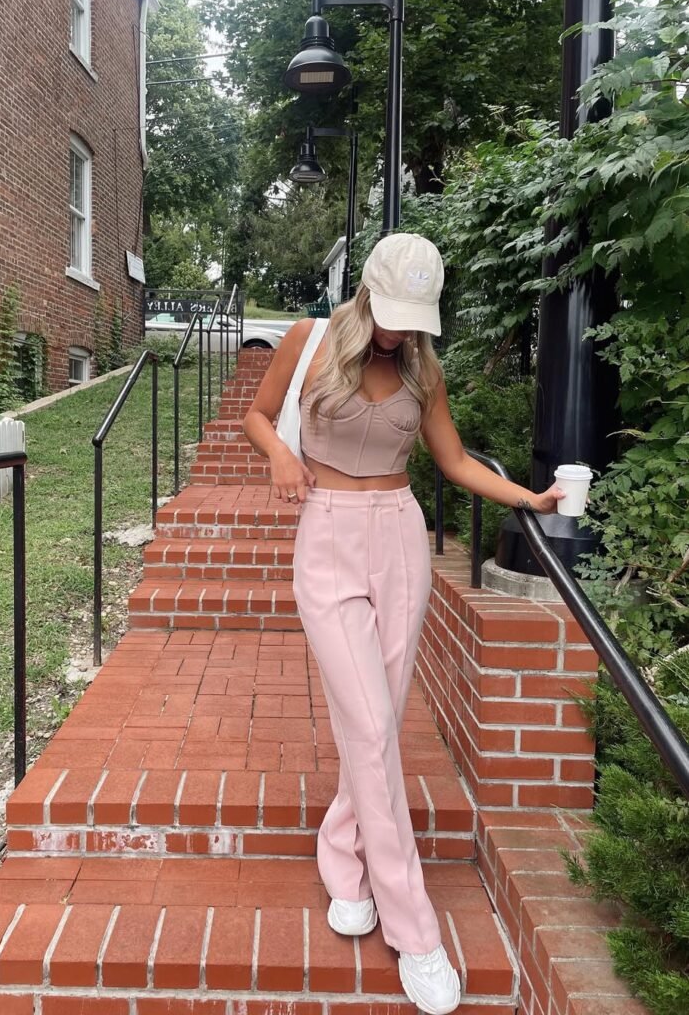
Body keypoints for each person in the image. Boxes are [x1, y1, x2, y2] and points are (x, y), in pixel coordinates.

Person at [241, 233, 565, 1015]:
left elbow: (453, 461)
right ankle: (415, 928)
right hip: (326, 538)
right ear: (365, 294)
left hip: (398, 538)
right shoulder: (308, 340)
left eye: (414, 318)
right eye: (391, 314)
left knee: (379, 719)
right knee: (370, 723)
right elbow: (256, 415)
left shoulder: (423, 367)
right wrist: (279, 455)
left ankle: (341, 851)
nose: (399, 331)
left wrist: (529, 499)